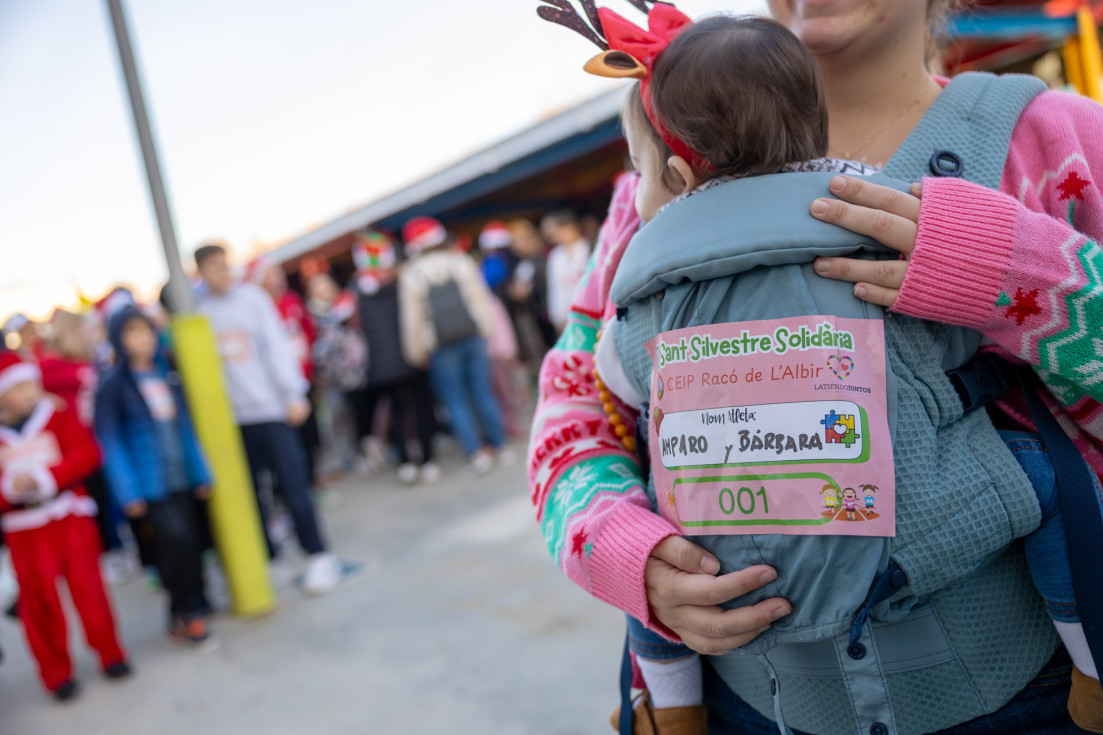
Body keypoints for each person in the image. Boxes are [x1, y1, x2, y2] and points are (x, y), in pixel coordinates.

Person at [529, 1, 1103, 733]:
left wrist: (1014, 270)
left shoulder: (1053, 142)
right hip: (747, 707)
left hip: (1033, 698)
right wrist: (623, 549)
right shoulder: (644, 204)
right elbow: (575, 409)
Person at [193, 242, 341, 595]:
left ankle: (318, 554)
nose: (221, 273)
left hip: (272, 410)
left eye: (224, 265)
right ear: (200, 272)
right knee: (251, 493)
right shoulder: (200, 311)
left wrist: (293, 394)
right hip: (232, 421)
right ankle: (270, 558)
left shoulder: (252, 301)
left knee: (293, 483)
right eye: (213, 267)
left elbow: (277, 347)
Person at [0, 351, 130, 700]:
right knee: (38, 602)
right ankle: (56, 673)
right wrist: (10, 488)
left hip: (68, 515)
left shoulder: (56, 418)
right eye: (20, 387)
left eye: (31, 384)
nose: (30, 392)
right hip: (24, 530)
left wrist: (47, 477)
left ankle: (110, 652)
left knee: (90, 591)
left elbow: (88, 454)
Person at [94, 306, 215, 649]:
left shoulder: (167, 373)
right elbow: (110, 441)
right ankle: (187, 610)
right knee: (174, 541)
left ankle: (191, 603)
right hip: (150, 484)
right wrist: (127, 491)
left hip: (181, 476)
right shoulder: (113, 386)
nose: (142, 338)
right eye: (132, 332)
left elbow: (185, 428)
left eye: (145, 330)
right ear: (119, 339)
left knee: (193, 541)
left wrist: (200, 472)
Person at [398, 217, 513, 473]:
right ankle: (500, 444)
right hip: (472, 337)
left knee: (455, 401)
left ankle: (475, 452)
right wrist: (487, 332)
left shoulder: (412, 274)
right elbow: (480, 299)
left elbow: (412, 317)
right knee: (483, 393)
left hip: (441, 345)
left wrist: (416, 352)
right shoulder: (460, 261)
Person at [349, 231, 439, 485]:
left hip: (381, 366)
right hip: (411, 356)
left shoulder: (356, 291)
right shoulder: (403, 280)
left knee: (398, 414)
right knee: (420, 408)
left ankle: (406, 461)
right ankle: (426, 459)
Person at [542, 209, 592, 334]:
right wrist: (557, 318)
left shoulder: (589, 247)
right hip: (567, 318)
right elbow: (555, 289)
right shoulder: (555, 256)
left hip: (591, 313)